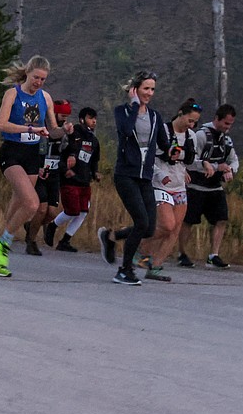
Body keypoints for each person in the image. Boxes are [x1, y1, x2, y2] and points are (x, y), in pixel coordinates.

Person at [0, 56, 70, 278]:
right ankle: (2, 245)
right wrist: (30, 129)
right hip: (12, 151)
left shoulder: (46, 98)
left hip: (33, 154)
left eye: (43, 79)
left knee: (20, 202)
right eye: (36, 77)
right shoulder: (13, 94)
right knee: (32, 203)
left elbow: (51, 131)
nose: (38, 82)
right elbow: (1, 124)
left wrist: (65, 130)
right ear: (28, 73)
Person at [98, 71, 165, 285]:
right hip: (126, 175)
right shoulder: (122, 112)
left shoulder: (155, 117)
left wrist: (176, 150)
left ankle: (112, 237)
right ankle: (124, 270)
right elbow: (126, 131)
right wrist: (135, 105)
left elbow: (163, 144)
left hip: (145, 177)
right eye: (146, 88)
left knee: (150, 227)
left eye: (152, 89)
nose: (150, 93)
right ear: (135, 90)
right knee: (141, 221)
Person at [137, 99, 202, 280]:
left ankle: (156, 266)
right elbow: (149, 158)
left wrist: (200, 167)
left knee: (175, 229)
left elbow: (189, 159)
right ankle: (139, 245)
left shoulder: (191, 136)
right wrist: (159, 175)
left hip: (179, 186)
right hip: (161, 184)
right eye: (190, 120)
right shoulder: (163, 131)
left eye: (195, 122)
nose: (192, 125)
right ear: (180, 114)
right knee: (167, 225)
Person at [178, 104, 240, 269]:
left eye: (231, 124)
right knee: (188, 221)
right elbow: (191, 159)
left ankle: (214, 255)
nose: (228, 127)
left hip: (215, 188)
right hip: (196, 186)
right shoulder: (201, 135)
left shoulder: (226, 140)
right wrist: (212, 166)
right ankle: (182, 253)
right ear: (217, 119)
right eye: (226, 123)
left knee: (221, 219)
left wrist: (230, 171)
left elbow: (234, 159)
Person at [45, 107, 101, 253]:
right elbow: (62, 153)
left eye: (95, 118)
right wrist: (65, 170)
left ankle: (65, 241)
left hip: (84, 181)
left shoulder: (94, 140)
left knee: (83, 212)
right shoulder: (72, 133)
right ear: (82, 119)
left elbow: (94, 161)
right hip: (69, 180)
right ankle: (52, 226)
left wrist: (95, 173)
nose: (93, 121)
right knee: (72, 211)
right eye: (90, 118)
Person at [25, 99, 71, 256]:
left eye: (66, 116)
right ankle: (31, 241)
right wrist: (37, 167)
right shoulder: (42, 127)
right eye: (62, 115)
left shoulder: (64, 130)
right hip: (39, 172)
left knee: (51, 213)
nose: (64, 119)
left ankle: (31, 226)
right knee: (41, 209)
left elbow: (66, 150)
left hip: (55, 173)